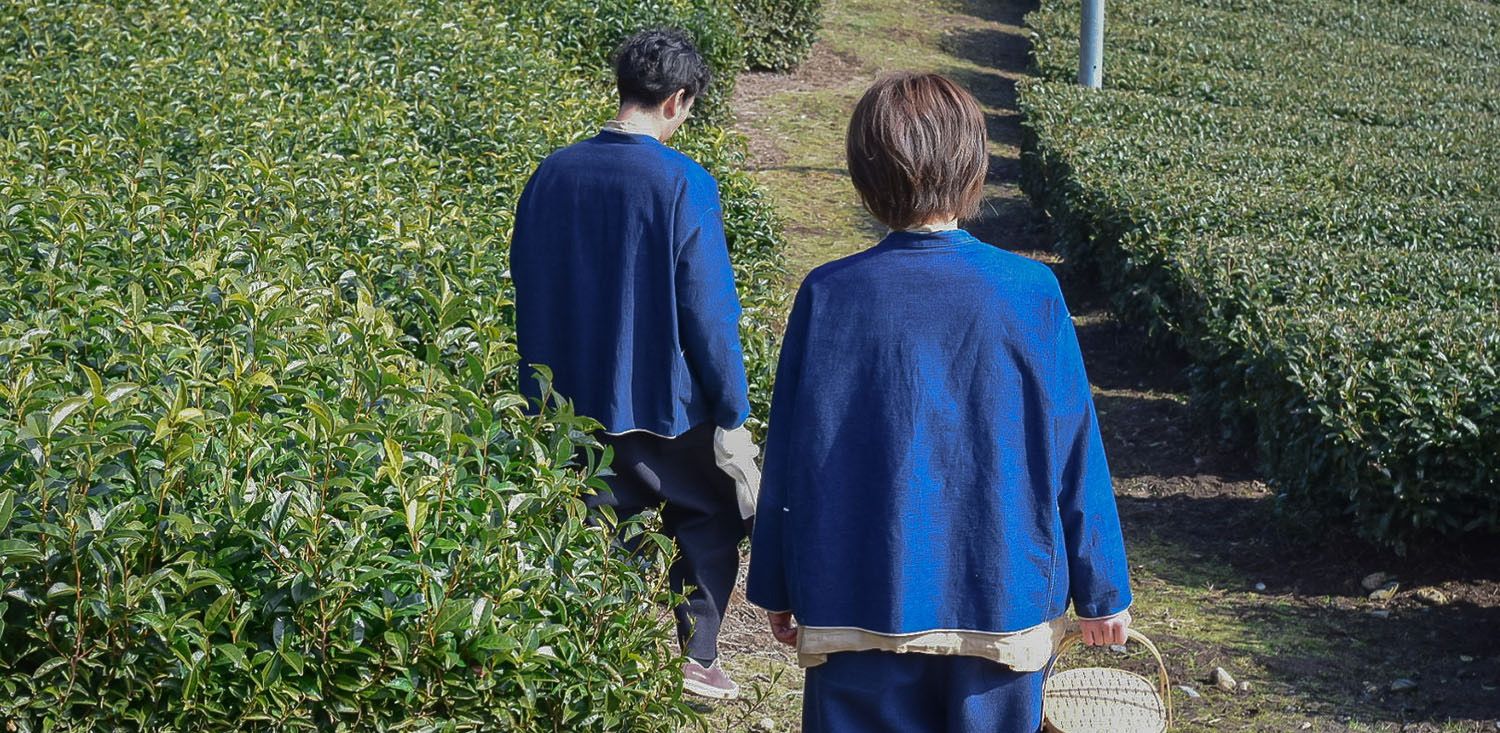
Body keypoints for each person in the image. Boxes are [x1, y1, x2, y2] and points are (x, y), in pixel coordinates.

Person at [746, 72, 1134, 732]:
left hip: (854, 590)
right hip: (1002, 595)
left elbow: (789, 450)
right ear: (974, 166)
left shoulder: (828, 294)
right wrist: (1102, 589)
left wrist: (777, 580)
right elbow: (1074, 450)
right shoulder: (1028, 291)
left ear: (864, 172)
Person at [509, 28, 752, 700]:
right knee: (708, 514)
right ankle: (697, 656)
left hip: (565, 401)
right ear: (677, 100)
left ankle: (592, 655)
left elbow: (526, 275)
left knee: (594, 523)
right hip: (663, 403)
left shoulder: (552, 172)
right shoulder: (683, 183)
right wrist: (731, 408)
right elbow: (709, 310)